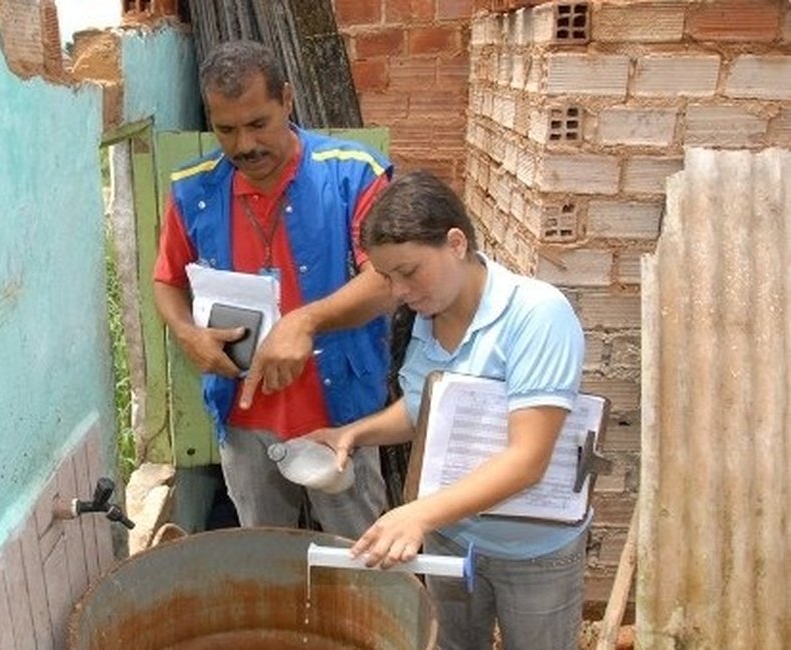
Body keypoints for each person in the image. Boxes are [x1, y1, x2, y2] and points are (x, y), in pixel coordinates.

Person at [305, 170, 588, 649]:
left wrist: (418, 516)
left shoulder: (537, 315)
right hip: (454, 535)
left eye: (409, 271)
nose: (398, 291)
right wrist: (353, 433)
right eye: (387, 277)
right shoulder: (425, 319)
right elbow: (425, 409)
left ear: (456, 243)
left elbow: (528, 459)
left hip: (532, 550)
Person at [151, 39, 392, 539]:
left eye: (258, 123)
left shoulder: (353, 174)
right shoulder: (193, 192)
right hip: (243, 419)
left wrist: (304, 321)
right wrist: (186, 333)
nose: (243, 146)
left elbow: (387, 282)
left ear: (286, 100)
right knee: (264, 555)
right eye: (226, 129)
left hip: (340, 412)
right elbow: (166, 282)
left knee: (361, 555)